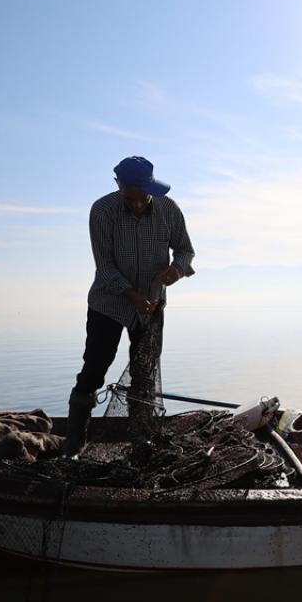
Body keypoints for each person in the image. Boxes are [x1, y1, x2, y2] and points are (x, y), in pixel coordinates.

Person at [66, 156, 195, 457]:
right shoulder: (102, 211)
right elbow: (105, 268)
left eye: (143, 198)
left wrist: (176, 271)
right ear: (118, 185)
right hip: (108, 304)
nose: (137, 205)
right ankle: (73, 444)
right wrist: (133, 296)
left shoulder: (169, 209)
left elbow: (186, 251)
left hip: (152, 306)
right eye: (131, 199)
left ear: (151, 187)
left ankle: (141, 441)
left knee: (144, 375)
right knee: (93, 370)